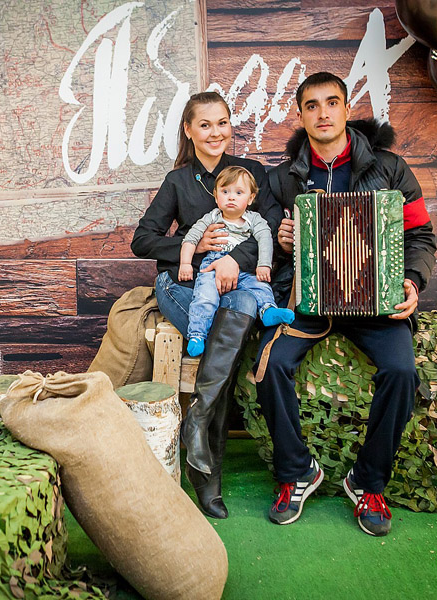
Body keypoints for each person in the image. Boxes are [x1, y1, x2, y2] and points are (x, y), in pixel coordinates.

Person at [258, 72, 437, 536]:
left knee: (402, 372)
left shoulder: (390, 167)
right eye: (312, 105)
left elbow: (420, 234)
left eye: (332, 102)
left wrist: (412, 281)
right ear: (301, 115)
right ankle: (297, 471)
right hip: (309, 302)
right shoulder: (281, 179)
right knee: (270, 364)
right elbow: (268, 245)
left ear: (346, 108)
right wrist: (283, 242)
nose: (323, 113)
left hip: (373, 302)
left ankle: (367, 482)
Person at [131, 91, 278, 519]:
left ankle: (196, 428)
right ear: (189, 130)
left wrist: (235, 258)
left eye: (222, 123)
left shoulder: (251, 173)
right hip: (184, 285)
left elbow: (270, 228)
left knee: (240, 310)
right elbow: (142, 240)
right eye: (205, 124)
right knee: (224, 336)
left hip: (235, 285)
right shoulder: (178, 181)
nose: (216, 132)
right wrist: (193, 246)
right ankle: (207, 474)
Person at [179, 166, 294, 357]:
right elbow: (190, 239)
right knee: (205, 297)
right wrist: (185, 264)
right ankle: (197, 334)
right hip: (212, 267)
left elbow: (265, 239)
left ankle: (268, 311)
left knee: (260, 286)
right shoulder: (211, 218)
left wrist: (263, 264)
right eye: (225, 192)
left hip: (245, 268)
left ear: (250, 198)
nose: (231, 197)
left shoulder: (254, 219)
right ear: (216, 196)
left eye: (239, 193)